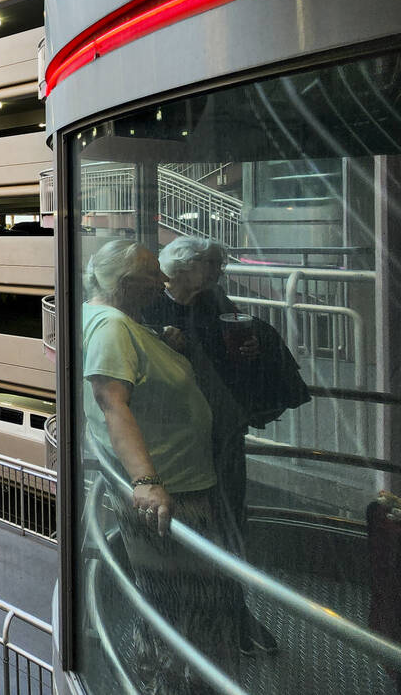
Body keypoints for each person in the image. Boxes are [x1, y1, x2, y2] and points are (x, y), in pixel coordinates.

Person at [82, 239, 239, 693]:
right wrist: (147, 482)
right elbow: (112, 402)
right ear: (126, 284)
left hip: (180, 484)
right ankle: (161, 685)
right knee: (174, 601)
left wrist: (163, 340)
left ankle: (175, 679)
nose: (164, 282)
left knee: (180, 598)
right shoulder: (111, 325)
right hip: (169, 491)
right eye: (154, 275)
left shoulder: (119, 321)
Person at [145, 236, 306, 656]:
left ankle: (232, 612)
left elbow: (239, 338)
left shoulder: (213, 298)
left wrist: (254, 349)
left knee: (230, 523)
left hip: (222, 435)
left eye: (219, 264)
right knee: (193, 531)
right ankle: (195, 621)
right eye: (211, 264)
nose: (219, 271)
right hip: (177, 444)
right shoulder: (150, 309)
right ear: (182, 268)